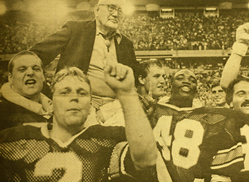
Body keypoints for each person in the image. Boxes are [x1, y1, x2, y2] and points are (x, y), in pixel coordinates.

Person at [0, 65, 157, 181]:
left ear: (90, 106)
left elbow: (147, 160)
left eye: (82, 93)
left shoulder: (108, 137)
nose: (74, 98)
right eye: (64, 92)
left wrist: (127, 93)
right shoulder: (13, 140)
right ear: (51, 104)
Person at [29, 0, 139, 125]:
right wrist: (45, 92)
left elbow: (135, 80)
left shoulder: (126, 44)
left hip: (116, 107)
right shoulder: (75, 30)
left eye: (120, 10)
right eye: (111, 8)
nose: (116, 14)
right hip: (80, 103)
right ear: (97, 10)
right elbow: (34, 56)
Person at [149, 69, 244, 182]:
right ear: (171, 84)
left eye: (192, 80)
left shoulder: (214, 116)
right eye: (180, 78)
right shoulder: (152, 110)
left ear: (196, 89)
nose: (187, 81)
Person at [0, 50, 52, 130]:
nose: (30, 73)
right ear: (10, 78)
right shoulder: (3, 113)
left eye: (36, 69)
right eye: (22, 69)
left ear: (43, 76)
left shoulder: (56, 108)